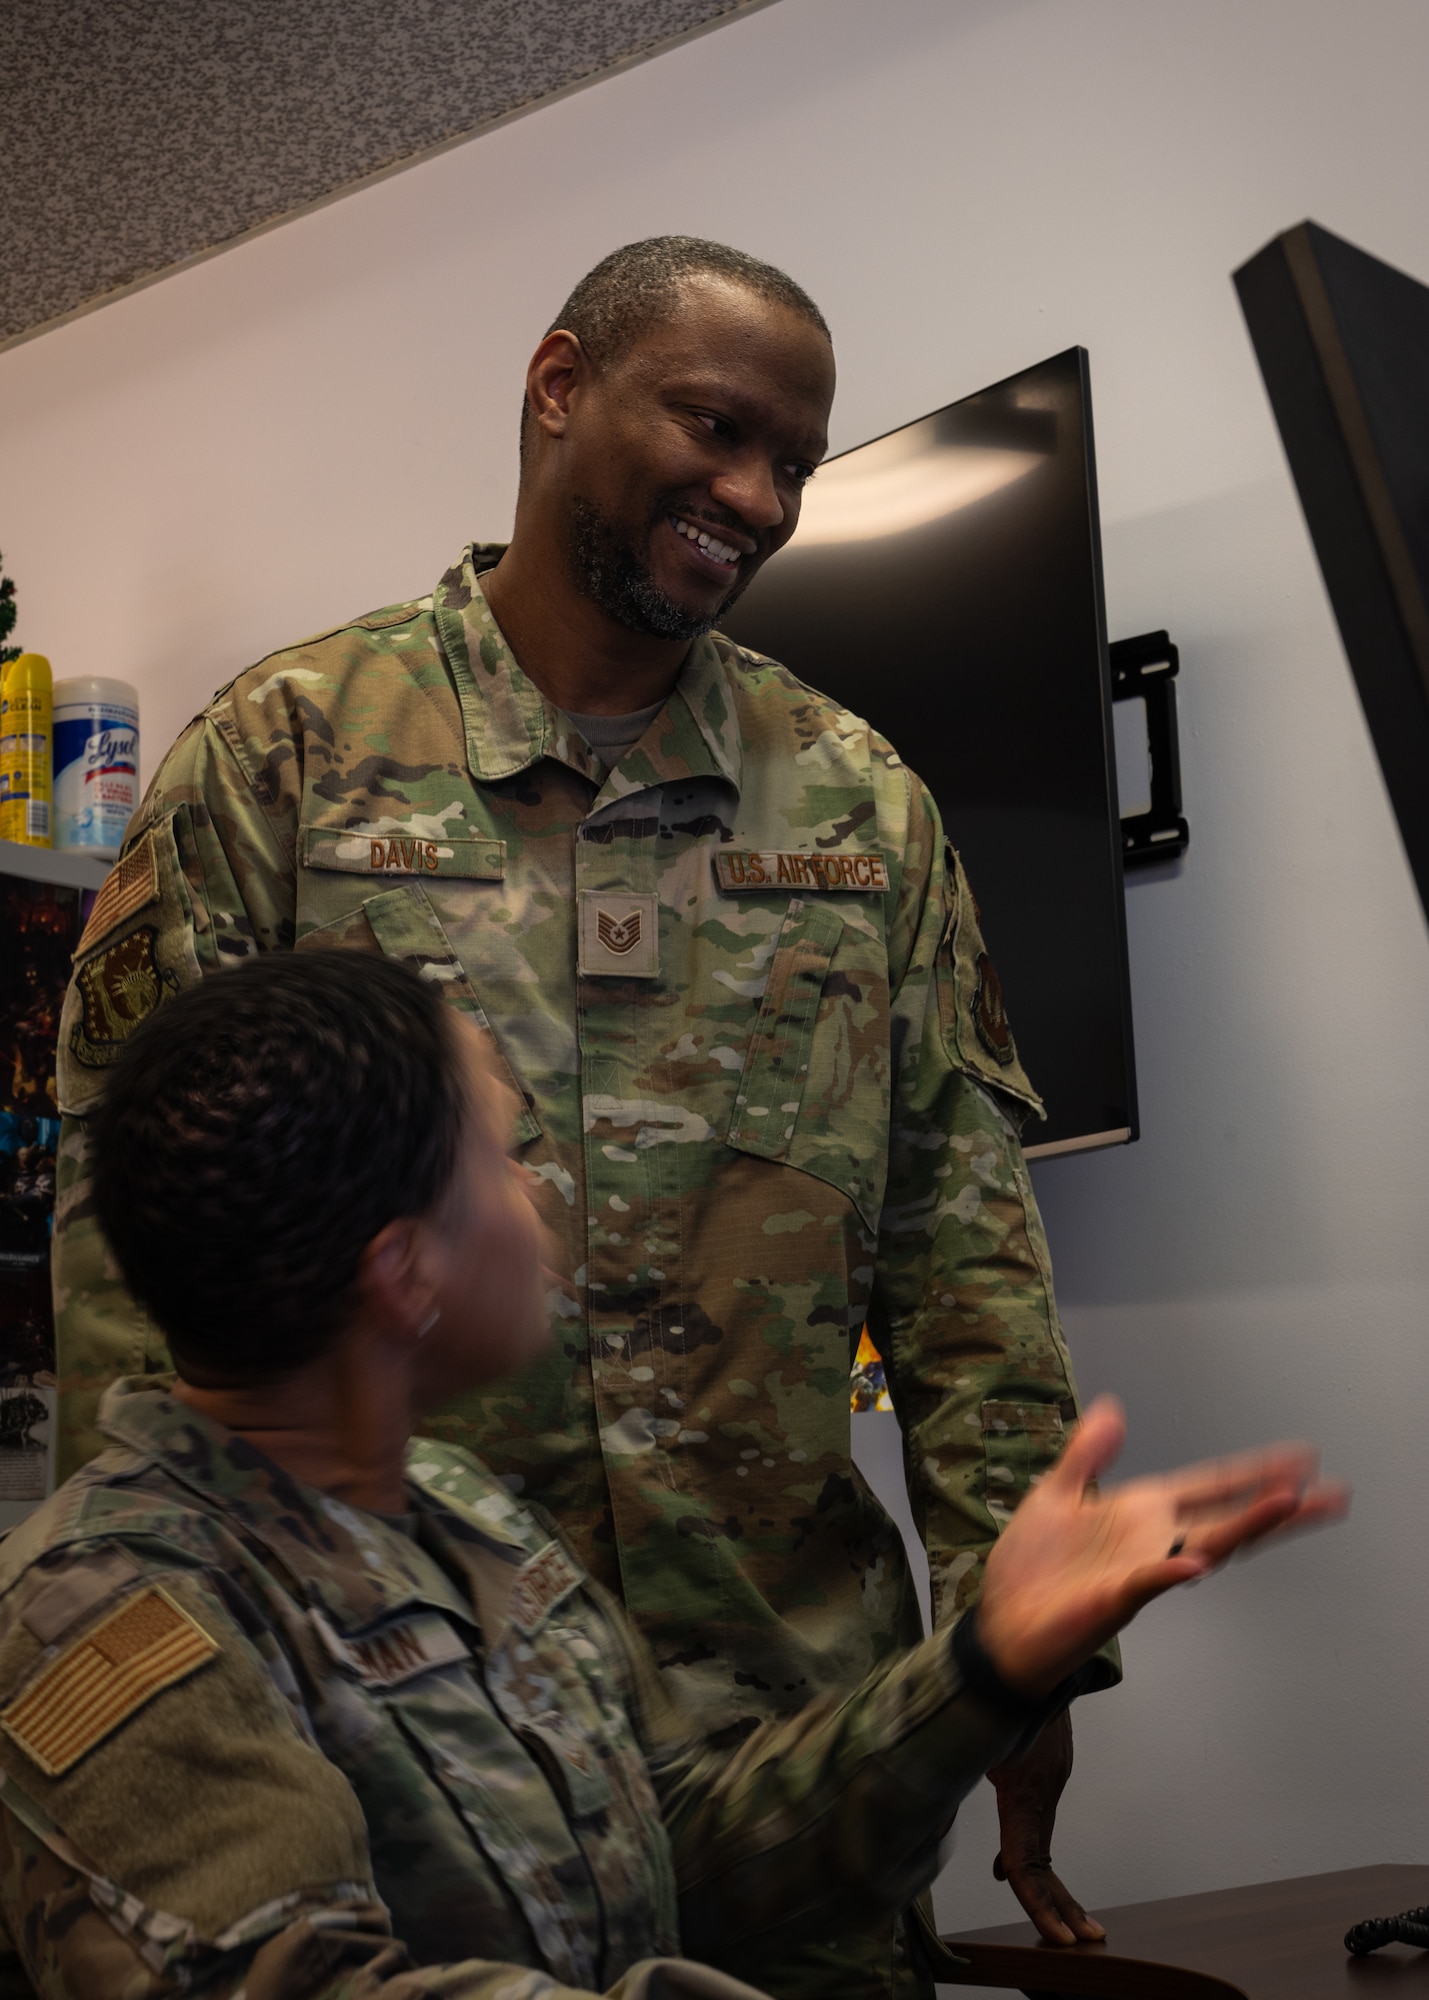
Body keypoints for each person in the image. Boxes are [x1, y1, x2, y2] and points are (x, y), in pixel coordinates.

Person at [54, 235, 1108, 1987]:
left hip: (797, 1740)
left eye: (795, 461)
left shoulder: (860, 809)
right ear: (559, 389)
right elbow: (127, 1265)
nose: (758, 495)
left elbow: (963, 1264)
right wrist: (177, 1679)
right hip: (404, 1746)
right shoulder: (284, 760)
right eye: (716, 426)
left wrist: (1022, 1663)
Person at [1, 954, 1345, 2000]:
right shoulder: (112, 1618)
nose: (544, 1199)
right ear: (405, 1273)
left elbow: (680, 1851)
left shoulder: (455, 1517)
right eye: (507, 1155)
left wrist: (983, 1665)